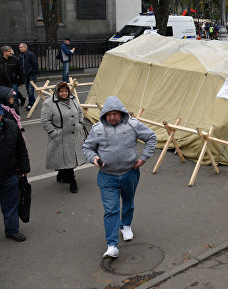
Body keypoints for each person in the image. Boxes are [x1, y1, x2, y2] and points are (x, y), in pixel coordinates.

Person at [82, 96, 157, 258]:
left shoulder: (133, 125)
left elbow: (151, 137)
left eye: (116, 114)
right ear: (104, 115)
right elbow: (87, 148)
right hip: (107, 176)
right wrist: (94, 159)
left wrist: (143, 158)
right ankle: (112, 245)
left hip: (129, 173)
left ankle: (126, 226)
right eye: (109, 114)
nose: (112, 117)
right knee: (111, 209)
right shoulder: (97, 129)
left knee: (128, 202)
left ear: (122, 113)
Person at [40, 82, 86, 193]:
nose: (64, 93)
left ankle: (61, 175)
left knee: (69, 158)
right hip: (61, 137)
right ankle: (72, 181)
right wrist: (54, 133)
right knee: (68, 159)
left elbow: (80, 112)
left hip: (75, 135)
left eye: (66, 91)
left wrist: (80, 124)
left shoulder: (73, 99)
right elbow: (45, 121)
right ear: (57, 92)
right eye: (61, 91)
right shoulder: (49, 103)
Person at [0, 107, 30, 242]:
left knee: (11, 203)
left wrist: (24, 168)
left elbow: (21, 149)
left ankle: (12, 230)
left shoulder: (12, 126)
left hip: (9, 173)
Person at [0, 46, 25, 110]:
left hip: (13, 81)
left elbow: (20, 71)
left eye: (11, 51)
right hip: (2, 82)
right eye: (9, 51)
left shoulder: (15, 59)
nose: (11, 52)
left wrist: (21, 81)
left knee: (14, 96)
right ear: (4, 52)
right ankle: (7, 110)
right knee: (4, 97)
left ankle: (16, 110)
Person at [19, 43, 38, 111]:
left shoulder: (30, 54)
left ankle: (31, 104)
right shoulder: (21, 55)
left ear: (25, 47)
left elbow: (35, 64)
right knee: (28, 90)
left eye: (21, 47)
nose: (20, 48)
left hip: (31, 75)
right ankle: (32, 101)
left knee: (30, 90)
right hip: (25, 75)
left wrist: (32, 73)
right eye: (19, 47)